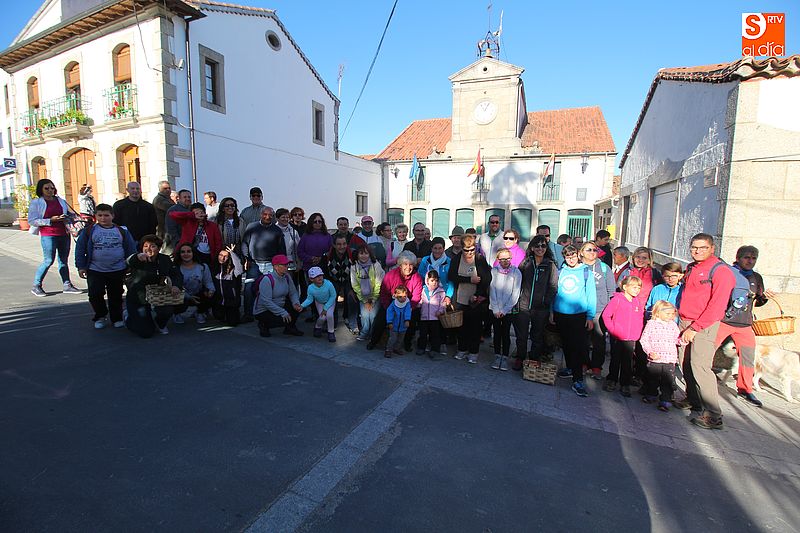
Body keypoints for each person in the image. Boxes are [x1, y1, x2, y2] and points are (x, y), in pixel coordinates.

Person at [676, 233, 736, 430]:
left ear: (712, 248)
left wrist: (695, 328)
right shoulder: (692, 267)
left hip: (703, 325)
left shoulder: (721, 271)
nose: (697, 251)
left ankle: (713, 414)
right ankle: (693, 399)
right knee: (685, 362)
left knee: (700, 366)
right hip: (686, 321)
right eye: (694, 247)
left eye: (702, 248)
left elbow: (717, 306)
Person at [715, 245, 776, 407]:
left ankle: (745, 388)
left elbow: (758, 300)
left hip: (744, 323)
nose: (750, 261)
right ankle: (698, 379)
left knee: (748, 357)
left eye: (753, 258)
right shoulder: (728, 273)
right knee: (707, 349)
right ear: (738, 258)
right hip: (723, 320)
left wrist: (765, 297)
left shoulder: (756, 277)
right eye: (746, 257)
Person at [74, 203, 137, 328]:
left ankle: (116, 318)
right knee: (95, 294)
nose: (103, 218)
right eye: (100, 215)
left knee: (116, 294)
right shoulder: (89, 231)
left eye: (106, 215)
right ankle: (100, 315)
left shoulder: (121, 231)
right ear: (96, 216)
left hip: (117, 269)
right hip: (95, 269)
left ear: (112, 215)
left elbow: (131, 248)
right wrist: (81, 266)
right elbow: (80, 249)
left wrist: (131, 264)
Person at [552, 245, 596, 397]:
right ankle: (570, 368)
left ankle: (578, 380)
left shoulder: (586, 272)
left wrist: (590, 316)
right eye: (567, 257)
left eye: (573, 256)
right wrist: (552, 311)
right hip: (560, 313)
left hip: (578, 315)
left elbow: (591, 295)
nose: (570, 259)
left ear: (578, 255)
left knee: (577, 347)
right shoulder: (561, 271)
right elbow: (555, 291)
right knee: (566, 343)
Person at [28, 178, 82, 297]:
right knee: (48, 260)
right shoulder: (37, 202)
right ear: (41, 189)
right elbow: (32, 221)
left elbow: (70, 214)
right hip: (48, 234)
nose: (50, 190)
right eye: (46, 188)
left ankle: (67, 285)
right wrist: (50, 220)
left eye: (52, 188)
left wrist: (73, 217)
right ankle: (36, 285)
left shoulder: (61, 201)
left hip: (64, 233)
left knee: (63, 260)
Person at [512, 235, 558, 369]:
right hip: (524, 305)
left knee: (537, 336)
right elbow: (517, 282)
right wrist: (517, 300)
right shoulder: (526, 263)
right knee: (521, 335)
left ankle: (533, 359)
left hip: (541, 308)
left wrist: (546, 300)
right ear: (532, 248)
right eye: (537, 246)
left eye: (543, 246)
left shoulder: (550, 265)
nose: (540, 248)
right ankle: (520, 357)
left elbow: (554, 286)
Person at [125, 234, 183, 337]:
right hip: (139, 299)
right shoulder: (139, 258)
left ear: (159, 248)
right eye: (145, 246)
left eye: (152, 246)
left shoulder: (165, 259)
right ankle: (129, 317)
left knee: (168, 309)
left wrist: (176, 286)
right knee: (146, 333)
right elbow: (129, 261)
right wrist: (137, 256)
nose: (148, 249)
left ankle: (160, 323)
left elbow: (176, 274)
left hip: (159, 296)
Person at [448, 234, 492, 364]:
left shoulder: (479, 259)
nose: (469, 253)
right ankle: (462, 349)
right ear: (462, 248)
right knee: (462, 327)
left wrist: (477, 294)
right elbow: (452, 276)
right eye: (466, 250)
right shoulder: (457, 259)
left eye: (472, 250)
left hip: (476, 300)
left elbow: (486, 279)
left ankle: (473, 352)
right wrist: (469, 279)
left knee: (475, 327)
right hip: (461, 298)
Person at [367, 251, 422, 351]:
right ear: (400, 265)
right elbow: (384, 293)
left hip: (407, 306)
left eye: (411, 265)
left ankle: (407, 342)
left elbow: (416, 298)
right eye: (405, 264)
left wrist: (407, 309)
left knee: (413, 318)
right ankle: (373, 341)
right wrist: (390, 308)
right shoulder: (390, 275)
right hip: (391, 305)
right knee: (380, 319)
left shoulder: (417, 277)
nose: (408, 267)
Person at [601, 276, 645, 397]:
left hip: (631, 338)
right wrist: (613, 330)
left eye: (639, 287)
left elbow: (639, 318)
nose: (637, 290)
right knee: (615, 359)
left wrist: (637, 333)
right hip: (617, 336)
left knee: (628, 361)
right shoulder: (617, 299)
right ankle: (612, 379)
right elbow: (606, 315)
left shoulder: (637, 301)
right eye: (634, 287)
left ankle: (625, 383)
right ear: (625, 287)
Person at [241, 207, 286, 322]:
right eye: (265, 214)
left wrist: (281, 265)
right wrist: (247, 258)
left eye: (270, 215)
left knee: (271, 290)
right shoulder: (252, 226)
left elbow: (281, 250)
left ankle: (269, 313)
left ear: (273, 216)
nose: (267, 217)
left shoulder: (277, 230)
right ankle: (248, 314)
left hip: (271, 264)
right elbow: (245, 243)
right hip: (254, 263)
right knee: (249, 288)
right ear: (261, 215)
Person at [580, 241, 616, 380]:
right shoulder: (578, 267)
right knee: (582, 340)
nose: (592, 252)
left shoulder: (604, 268)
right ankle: (583, 363)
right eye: (588, 250)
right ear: (581, 252)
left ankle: (596, 367)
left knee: (599, 341)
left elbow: (611, 290)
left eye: (595, 250)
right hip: (581, 309)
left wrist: (610, 311)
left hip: (600, 310)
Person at [639, 300, 684, 412]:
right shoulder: (651, 324)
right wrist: (649, 352)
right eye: (667, 314)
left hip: (669, 359)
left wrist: (682, 340)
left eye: (672, 314)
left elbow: (676, 339)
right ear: (658, 313)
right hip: (655, 358)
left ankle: (665, 400)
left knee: (668, 380)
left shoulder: (673, 325)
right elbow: (644, 339)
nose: (670, 316)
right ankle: (651, 394)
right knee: (653, 378)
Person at [253, 254, 303, 337]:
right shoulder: (267, 280)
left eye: (287, 264)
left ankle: (290, 328)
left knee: (297, 308)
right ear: (275, 267)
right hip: (264, 310)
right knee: (281, 320)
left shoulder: (287, 276)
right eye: (284, 265)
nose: (286, 266)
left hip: (280, 305)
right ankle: (263, 325)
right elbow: (266, 302)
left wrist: (296, 303)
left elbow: (293, 292)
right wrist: (282, 312)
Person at [489, 248, 522, 371]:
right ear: (498, 260)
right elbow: (492, 291)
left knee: (506, 333)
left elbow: (515, 294)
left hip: (508, 310)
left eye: (507, 258)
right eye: (502, 259)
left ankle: (505, 357)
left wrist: (505, 310)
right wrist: (496, 309)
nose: (505, 261)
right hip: (495, 309)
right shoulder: (494, 271)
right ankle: (497, 355)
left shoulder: (516, 272)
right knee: (497, 333)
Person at [169, 202, 223, 267]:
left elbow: (218, 242)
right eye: (196, 213)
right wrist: (191, 215)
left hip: (207, 256)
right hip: (190, 254)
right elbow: (172, 215)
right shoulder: (187, 222)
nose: (199, 215)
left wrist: (215, 257)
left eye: (201, 212)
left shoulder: (212, 225)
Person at [173, 243, 215, 324]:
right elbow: (175, 286)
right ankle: (177, 313)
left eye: (189, 251)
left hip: (198, 294)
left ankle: (200, 312)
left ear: (193, 253)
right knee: (175, 296)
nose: (186, 254)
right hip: (182, 295)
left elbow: (208, 282)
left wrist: (211, 291)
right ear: (179, 254)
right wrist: (188, 297)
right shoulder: (176, 268)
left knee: (213, 295)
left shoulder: (203, 267)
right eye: (183, 252)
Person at [351, 244, 384, 341]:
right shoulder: (354, 267)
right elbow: (355, 284)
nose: (364, 256)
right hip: (363, 295)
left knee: (373, 315)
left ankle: (372, 334)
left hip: (375, 294)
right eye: (361, 253)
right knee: (365, 315)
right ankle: (364, 333)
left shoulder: (376, 265)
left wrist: (373, 299)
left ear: (370, 254)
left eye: (366, 253)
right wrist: (364, 300)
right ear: (357, 255)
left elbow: (379, 282)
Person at [324, 235, 355, 331]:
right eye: (339, 244)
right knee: (332, 298)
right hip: (333, 280)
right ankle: (333, 322)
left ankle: (351, 321)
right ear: (334, 245)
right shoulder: (327, 256)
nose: (342, 247)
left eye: (344, 244)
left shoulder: (352, 254)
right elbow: (325, 273)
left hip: (348, 279)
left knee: (351, 297)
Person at [300, 266, 338, 342]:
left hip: (330, 302)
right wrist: (302, 305)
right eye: (316, 277)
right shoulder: (310, 288)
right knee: (322, 317)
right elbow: (309, 299)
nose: (319, 278)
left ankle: (331, 332)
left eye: (320, 275)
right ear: (311, 279)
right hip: (319, 302)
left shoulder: (329, 284)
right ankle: (318, 327)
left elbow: (333, 296)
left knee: (329, 315)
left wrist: (326, 308)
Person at [417, 270, 447, 359]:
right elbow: (420, 300)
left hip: (435, 317)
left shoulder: (441, 291)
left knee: (435, 334)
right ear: (427, 280)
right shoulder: (423, 290)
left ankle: (435, 350)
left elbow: (443, 303)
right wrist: (418, 304)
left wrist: (440, 311)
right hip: (424, 316)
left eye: (436, 280)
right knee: (423, 333)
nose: (434, 283)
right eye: (432, 280)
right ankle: (421, 347)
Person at [212, 245, 243, 326]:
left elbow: (240, 268)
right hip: (219, 301)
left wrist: (232, 253)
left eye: (225, 256)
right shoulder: (214, 268)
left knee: (232, 323)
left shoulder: (234, 271)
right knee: (218, 316)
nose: (222, 258)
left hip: (231, 302)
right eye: (221, 255)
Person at [275, 208, 302, 286]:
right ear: (277, 218)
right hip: (276, 265)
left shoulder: (293, 232)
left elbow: (298, 248)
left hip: (290, 265)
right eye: (283, 217)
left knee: (291, 286)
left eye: (287, 217)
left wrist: (299, 263)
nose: (286, 219)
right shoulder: (272, 231)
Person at [384, 285, 412, 358]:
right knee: (392, 339)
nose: (403, 299)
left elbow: (408, 311)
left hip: (403, 326)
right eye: (400, 296)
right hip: (394, 325)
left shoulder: (407, 303)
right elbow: (389, 312)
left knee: (400, 339)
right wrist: (389, 322)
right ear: (395, 295)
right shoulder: (393, 304)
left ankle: (397, 348)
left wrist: (407, 320)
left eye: (404, 296)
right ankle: (388, 350)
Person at [163, 189, 191, 256]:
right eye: (185, 197)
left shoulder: (191, 209)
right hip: (177, 245)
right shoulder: (173, 210)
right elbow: (171, 229)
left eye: (189, 197)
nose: (187, 199)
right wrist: (178, 243)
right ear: (179, 198)